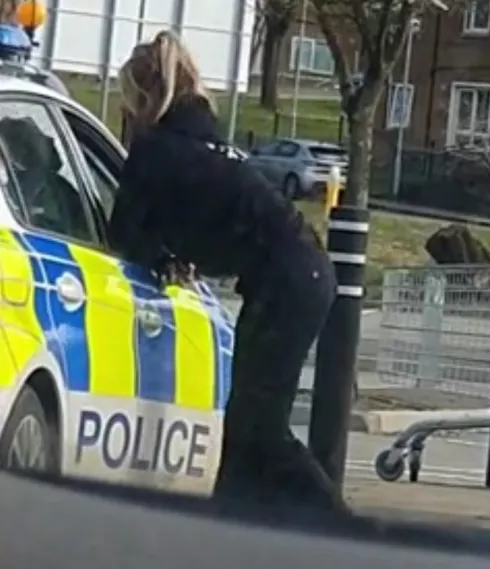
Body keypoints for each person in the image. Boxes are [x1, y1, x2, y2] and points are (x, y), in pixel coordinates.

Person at [107, 30, 344, 513]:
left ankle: (343, 527)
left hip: (286, 280)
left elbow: (122, 233)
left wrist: (159, 258)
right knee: (245, 424)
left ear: (140, 100)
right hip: (301, 273)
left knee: (261, 423)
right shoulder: (202, 143)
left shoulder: (155, 152)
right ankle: (228, 526)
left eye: (127, 103)